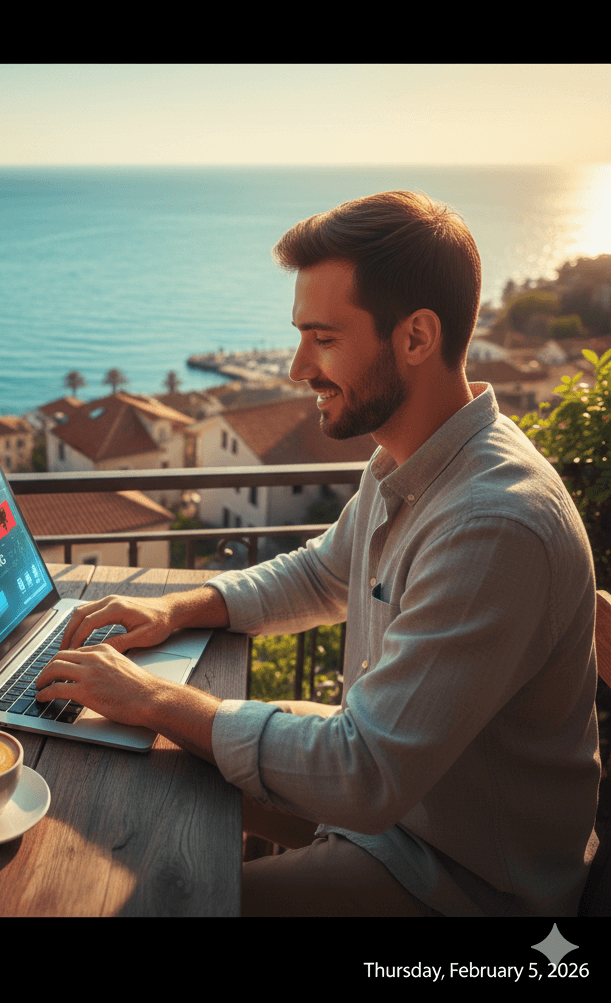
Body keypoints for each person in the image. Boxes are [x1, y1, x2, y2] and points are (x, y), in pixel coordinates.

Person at [35, 190, 602, 917]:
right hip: (403, 812)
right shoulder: (412, 460)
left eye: (324, 338)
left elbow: (362, 773)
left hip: (464, 878)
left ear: (417, 338)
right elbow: (323, 572)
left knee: (163, 902)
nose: (299, 367)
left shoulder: (493, 525)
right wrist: (177, 607)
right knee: (154, 755)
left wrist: (155, 696)